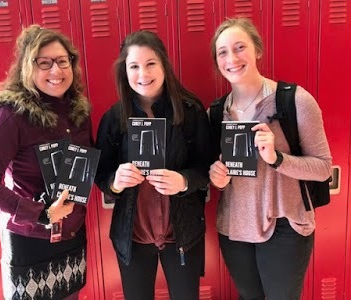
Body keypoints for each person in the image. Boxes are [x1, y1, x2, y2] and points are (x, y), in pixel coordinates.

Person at [208, 17, 332, 300]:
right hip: (235, 228)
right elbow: (219, 176)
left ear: (257, 50)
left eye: (240, 47)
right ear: (217, 62)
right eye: (223, 52)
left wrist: (277, 158)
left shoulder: (294, 101)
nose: (232, 58)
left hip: (285, 226)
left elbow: (324, 168)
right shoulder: (215, 113)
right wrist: (218, 176)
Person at [0, 25, 93, 300]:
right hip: (30, 241)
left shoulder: (79, 112)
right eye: (44, 63)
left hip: (72, 236)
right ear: (28, 67)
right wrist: (42, 213)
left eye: (63, 61)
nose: (56, 71)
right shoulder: (12, 115)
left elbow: (88, 163)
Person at [95, 30, 213, 300]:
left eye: (150, 64)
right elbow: (100, 175)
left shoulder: (190, 111)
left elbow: (208, 168)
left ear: (164, 66)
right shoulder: (114, 117)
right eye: (134, 66)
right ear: (125, 71)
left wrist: (183, 181)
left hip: (182, 234)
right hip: (133, 236)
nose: (142, 74)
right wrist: (115, 180)